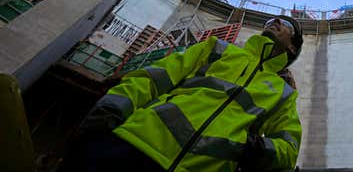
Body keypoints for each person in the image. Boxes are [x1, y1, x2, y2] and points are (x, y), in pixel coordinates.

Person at [64, 16, 304, 172]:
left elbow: (289, 150)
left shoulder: (282, 92)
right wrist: (110, 109)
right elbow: (153, 79)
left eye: (286, 25)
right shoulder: (219, 49)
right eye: (273, 19)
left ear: (292, 46)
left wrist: (253, 148)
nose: (275, 23)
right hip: (132, 145)